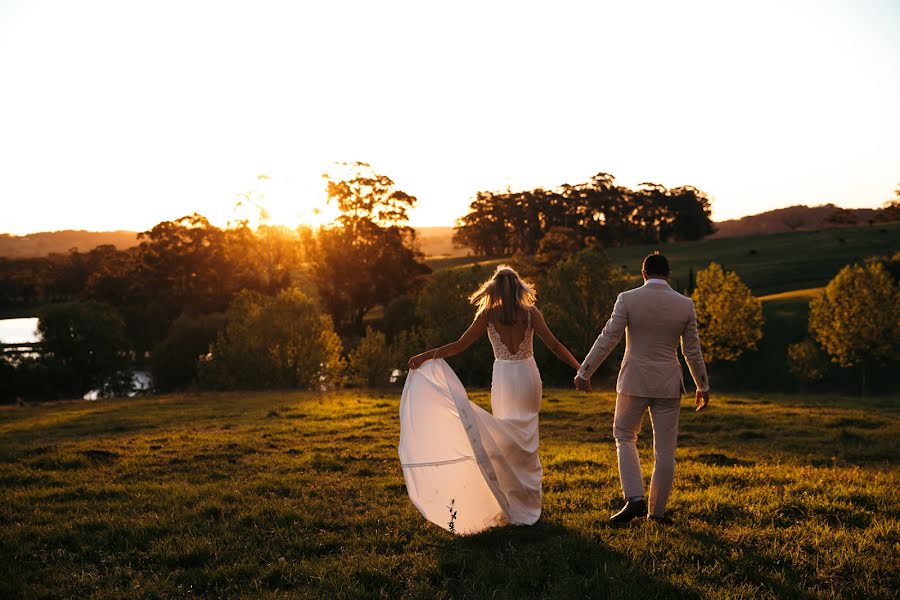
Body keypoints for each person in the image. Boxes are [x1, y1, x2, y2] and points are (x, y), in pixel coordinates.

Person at [399, 265, 580, 534]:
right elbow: (554, 345)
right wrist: (580, 369)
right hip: (528, 376)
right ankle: (529, 500)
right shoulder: (530, 313)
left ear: (493, 290)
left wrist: (426, 355)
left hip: (505, 378)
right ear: (519, 288)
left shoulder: (488, 315)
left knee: (506, 439)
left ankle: (509, 499)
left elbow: (459, 345)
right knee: (527, 437)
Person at [574, 252, 710, 523]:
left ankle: (634, 499)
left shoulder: (628, 298)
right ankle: (657, 513)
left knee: (624, 436)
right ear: (668, 275)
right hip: (668, 384)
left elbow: (608, 338)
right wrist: (702, 385)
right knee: (665, 451)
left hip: (633, 381)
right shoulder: (685, 304)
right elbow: (691, 351)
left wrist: (585, 371)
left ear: (644, 273)